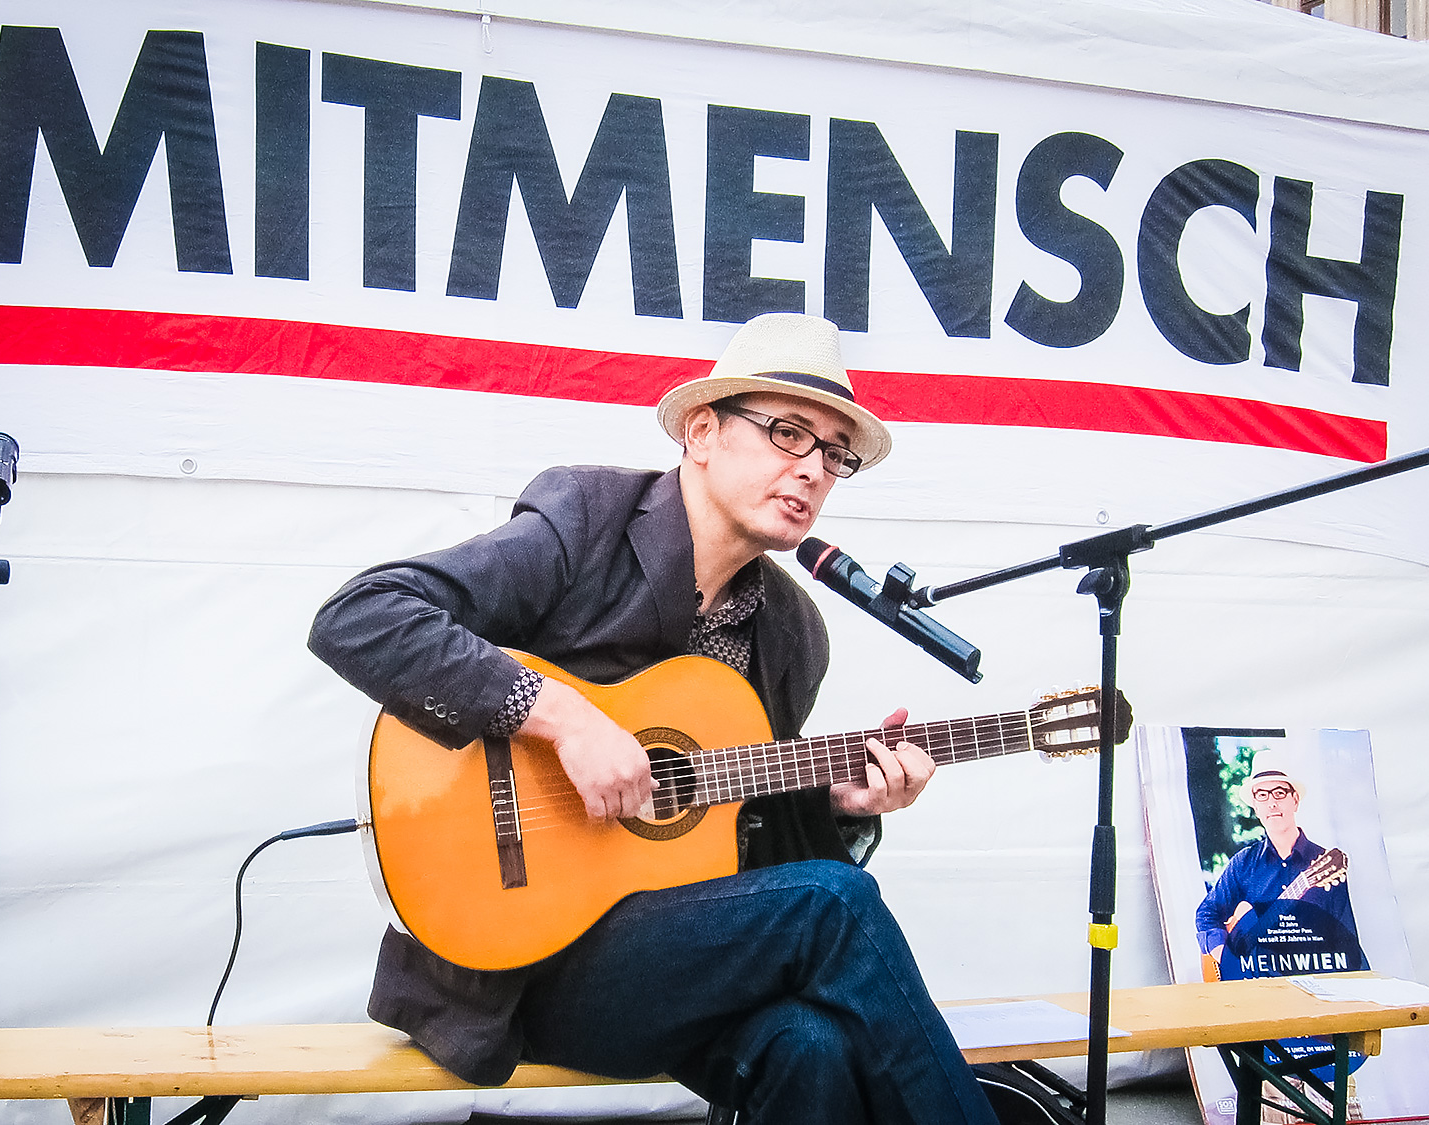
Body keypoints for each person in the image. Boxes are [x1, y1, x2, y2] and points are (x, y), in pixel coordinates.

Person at [309, 312, 998, 1125]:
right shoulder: (587, 518)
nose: (814, 469)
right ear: (702, 431)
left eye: (834, 453)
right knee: (836, 903)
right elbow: (360, 616)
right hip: (514, 964)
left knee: (807, 1042)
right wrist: (560, 716)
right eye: (788, 434)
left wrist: (835, 806)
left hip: (666, 964)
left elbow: (748, 853)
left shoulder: (791, 632)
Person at [1195, 748, 1366, 978]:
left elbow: (1345, 942)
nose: (1272, 804)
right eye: (1262, 795)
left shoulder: (1323, 865)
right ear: (1255, 806)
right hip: (1254, 992)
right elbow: (1206, 914)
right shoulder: (1243, 864)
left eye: (1279, 793)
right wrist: (1226, 956)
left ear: (1295, 800)